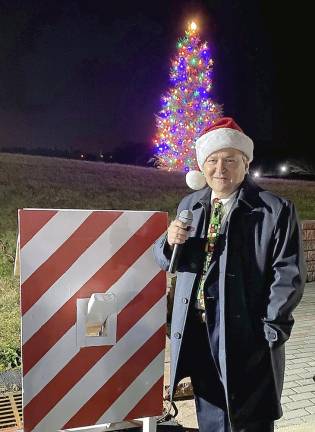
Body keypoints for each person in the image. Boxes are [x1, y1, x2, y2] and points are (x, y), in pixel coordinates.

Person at [153, 117, 306, 432]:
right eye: (212, 160)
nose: (220, 168)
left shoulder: (274, 210)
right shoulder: (191, 204)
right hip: (199, 331)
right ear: (202, 166)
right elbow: (165, 259)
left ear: (245, 163)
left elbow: (287, 276)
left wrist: (269, 333)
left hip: (247, 335)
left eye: (230, 160)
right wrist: (169, 242)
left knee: (250, 419)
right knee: (210, 415)